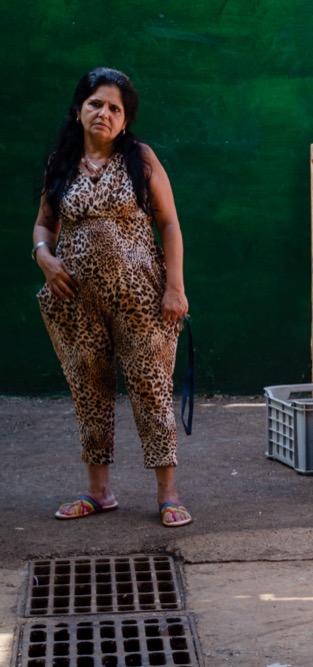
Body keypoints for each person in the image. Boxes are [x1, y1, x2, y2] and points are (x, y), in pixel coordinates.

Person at [31, 67, 192, 527]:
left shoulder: (139, 158)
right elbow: (44, 225)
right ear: (79, 109)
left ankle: (168, 493)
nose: (104, 113)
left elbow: (170, 224)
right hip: (76, 299)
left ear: (125, 121)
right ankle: (98, 492)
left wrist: (174, 287)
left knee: (151, 389)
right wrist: (44, 256)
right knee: (90, 390)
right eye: (96, 103)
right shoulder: (60, 162)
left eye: (115, 108)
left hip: (141, 297)